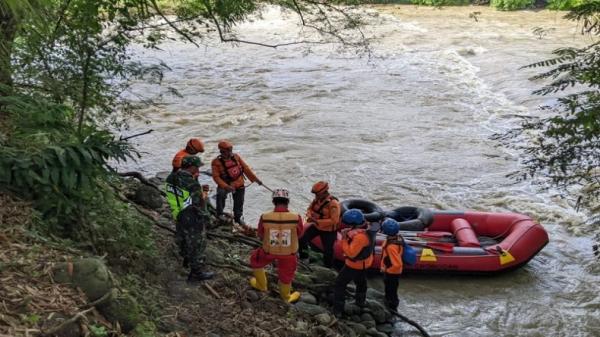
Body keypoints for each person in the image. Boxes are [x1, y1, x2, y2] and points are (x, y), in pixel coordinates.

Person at [249, 188, 303, 303]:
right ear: (288, 202)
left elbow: (261, 234)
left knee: (255, 259)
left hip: (268, 252)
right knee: (286, 274)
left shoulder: (265, 216)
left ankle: (261, 286)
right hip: (289, 253)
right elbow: (300, 233)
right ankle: (286, 297)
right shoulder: (296, 217)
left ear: (273, 202)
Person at [165, 155, 214, 282]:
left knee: (183, 239)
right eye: (197, 167)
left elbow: (176, 196)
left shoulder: (171, 178)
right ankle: (195, 273)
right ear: (191, 167)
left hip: (178, 214)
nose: (198, 169)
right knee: (197, 244)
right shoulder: (192, 183)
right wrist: (207, 218)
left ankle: (186, 260)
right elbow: (198, 204)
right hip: (191, 218)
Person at [333, 209, 375, 318]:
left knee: (339, 284)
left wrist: (344, 239)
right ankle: (360, 302)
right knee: (361, 282)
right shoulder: (367, 229)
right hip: (364, 264)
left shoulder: (360, 237)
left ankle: (338, 310)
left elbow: (351, 253)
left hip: (354, 265)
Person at [211, 140, 262, 226]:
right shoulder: (216, 162)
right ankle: (219, 214)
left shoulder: (236, 157)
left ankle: (238, 217)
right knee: (220, 195)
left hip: (239, 183)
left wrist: (255, 179)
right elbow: (216, 177)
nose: (230, 152)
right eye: (228, 150)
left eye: (231, 149)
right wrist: (226, 186)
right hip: (225, 184)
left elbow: (246, 169)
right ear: (222, 151)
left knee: (239, 202)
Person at [298, 181, 340, 268]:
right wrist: (309, 214)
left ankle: (328, 267)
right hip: (317, 227)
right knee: (302, 239)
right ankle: (304, 258)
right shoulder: (317, 200)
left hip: (329, 231)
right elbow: (310, 208)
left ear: (324, 192)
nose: (316, 196)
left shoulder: (333, 203)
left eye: (317, 194)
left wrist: (317, 221)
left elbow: (334, 220)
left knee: (328, 250)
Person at [380, 218, 404, 312]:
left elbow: (397, 264)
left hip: (392, 272)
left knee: (391, 290)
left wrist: (387, 270)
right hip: (390, 269)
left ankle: (392, 308)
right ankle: (389, 302)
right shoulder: (396, 239)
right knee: (389, 288)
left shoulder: (391, 247)